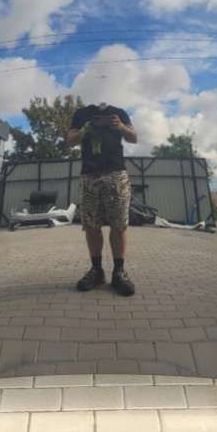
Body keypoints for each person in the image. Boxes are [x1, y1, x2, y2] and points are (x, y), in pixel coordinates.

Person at [67, 103, 137, 296]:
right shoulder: (81, 113)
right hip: (89, 175)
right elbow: (70, 141)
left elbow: (133, 138)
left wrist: (120, 126)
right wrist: (84, 130)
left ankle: (119, 272)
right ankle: (97, 271)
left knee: (119, 224)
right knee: (91, 225)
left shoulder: (119, 112)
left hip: (116, 174)